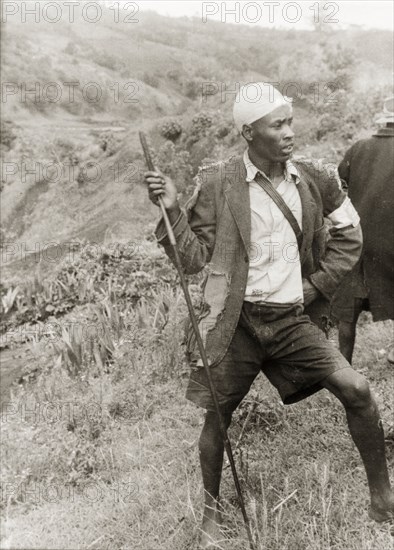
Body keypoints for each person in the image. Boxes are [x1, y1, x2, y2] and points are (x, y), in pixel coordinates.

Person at [145, 83, 394, 548]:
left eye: (290, 122)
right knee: (217, 417)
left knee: (357, 389)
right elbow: (194, 258)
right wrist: (173, 210)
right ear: (248, 132)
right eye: (277, 125)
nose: (289, 133)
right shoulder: (219, 183)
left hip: (290, 322)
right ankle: (210, 517)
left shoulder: (314, 177)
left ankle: (382, 498)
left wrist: (316, 285)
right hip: (235, 322)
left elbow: (350, 235)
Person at [331, 96, 394, 364]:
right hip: (390, 240)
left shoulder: (358, 148)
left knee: (349, 307)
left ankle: (343, 366)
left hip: (357, 239)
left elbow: (337, 185)